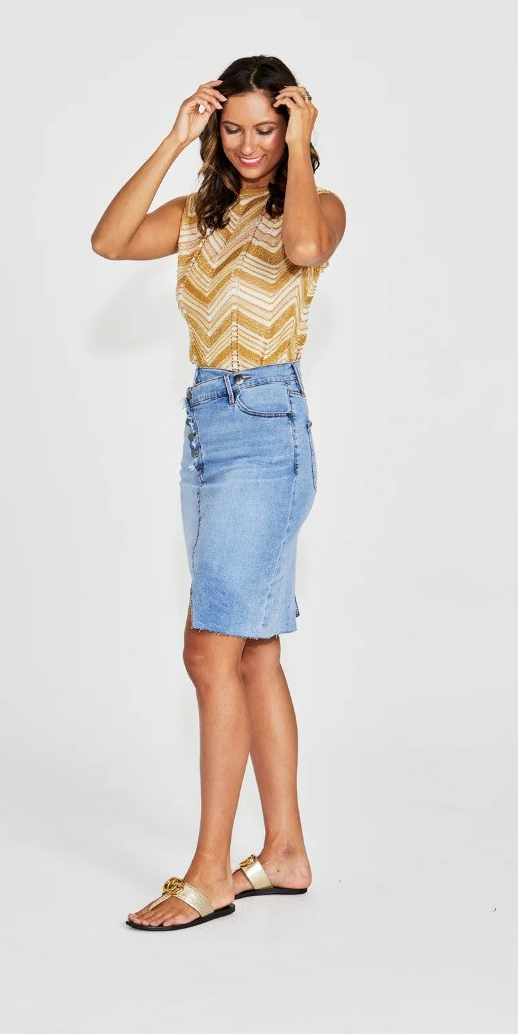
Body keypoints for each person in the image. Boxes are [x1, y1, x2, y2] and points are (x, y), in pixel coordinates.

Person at [91, 54, 346, 931]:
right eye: (231, 128)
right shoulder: (201, 218)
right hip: (206, 429)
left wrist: (304, 152)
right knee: (253, 653)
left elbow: (305, 249)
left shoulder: (317, 205)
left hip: (268, 429)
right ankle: (283, 853)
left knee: (209, 652)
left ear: (290, 126)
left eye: (264, 128)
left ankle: (209, 873)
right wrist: (171, 138)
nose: (247, 145)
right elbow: (110, 240)